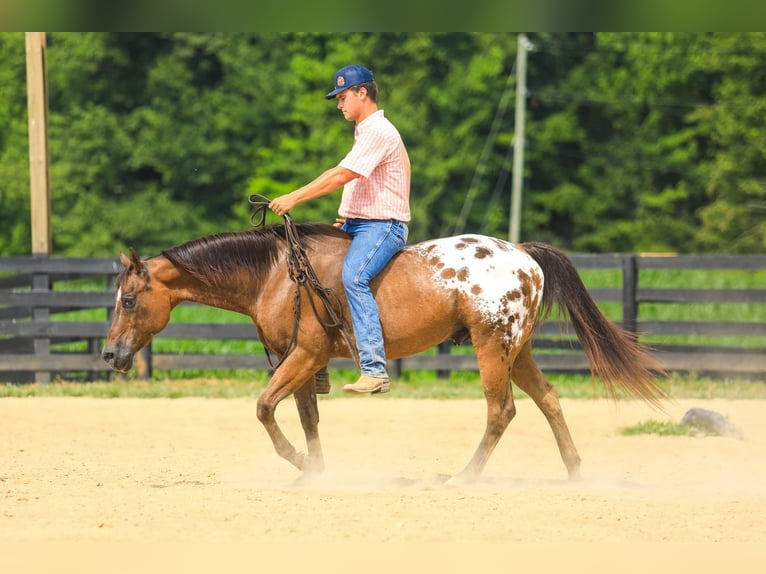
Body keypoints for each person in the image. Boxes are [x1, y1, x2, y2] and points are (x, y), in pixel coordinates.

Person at [269, 64, 411, 395]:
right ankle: (317, 364)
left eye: (343, 96)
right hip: (360, 225)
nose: (339, 104)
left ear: (363, 93)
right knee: (315, 275)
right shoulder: (367, 132)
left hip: (382, 227)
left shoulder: (378, 131)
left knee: (354, 277)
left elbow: (340, 175)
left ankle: (374, 368)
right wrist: (347, 218)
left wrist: (294, 197)